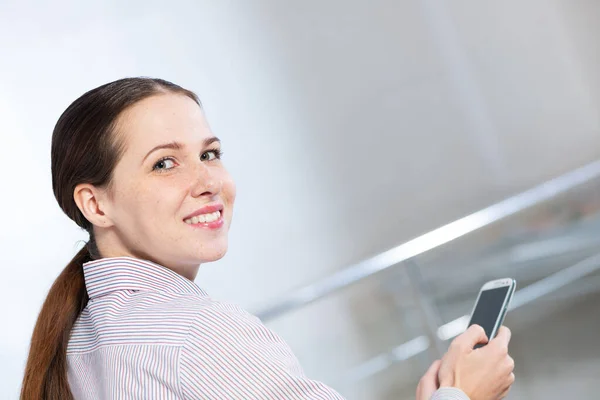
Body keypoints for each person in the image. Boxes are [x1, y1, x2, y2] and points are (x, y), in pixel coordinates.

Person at [20, 77, 515, 399]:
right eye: (164, 163)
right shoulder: (198, 333)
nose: (207, 180)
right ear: (95, 204)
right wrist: (465, 396)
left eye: (210, 153)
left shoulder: (79, 337)